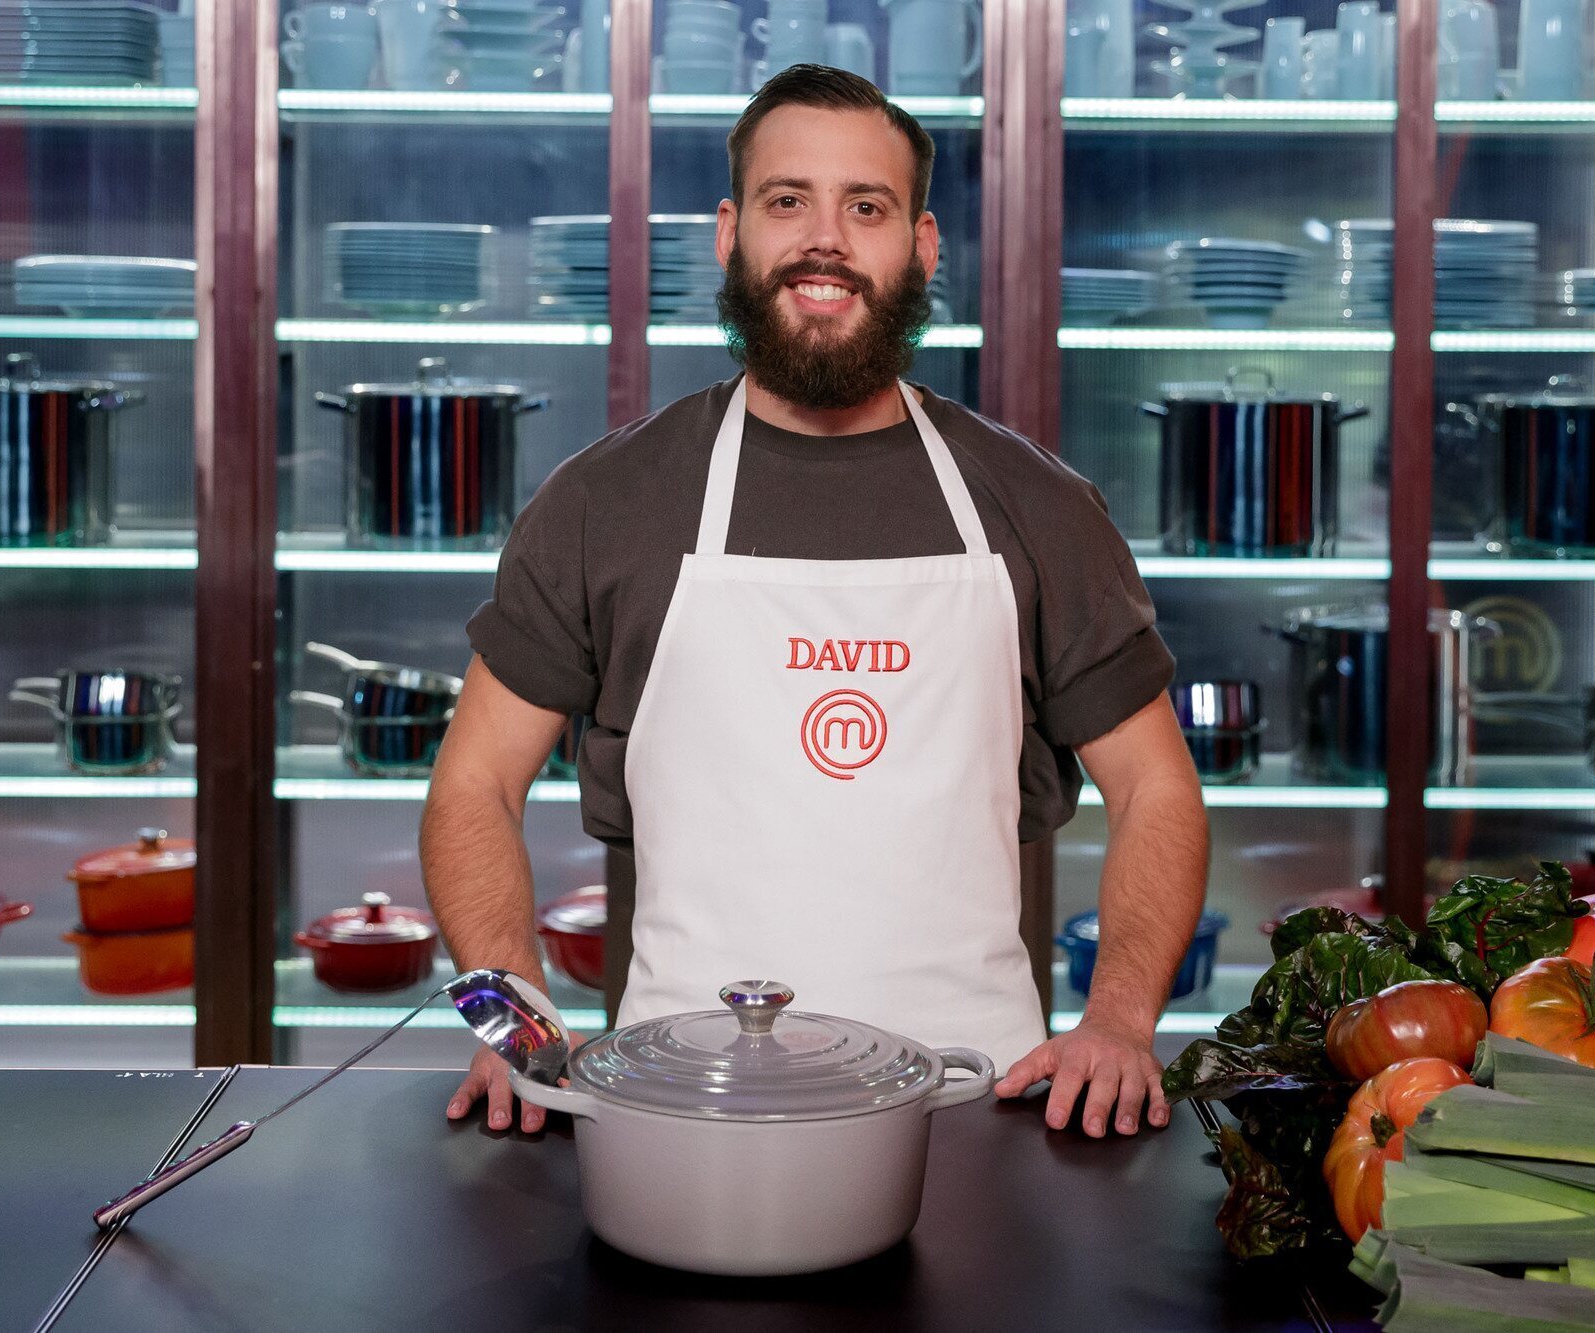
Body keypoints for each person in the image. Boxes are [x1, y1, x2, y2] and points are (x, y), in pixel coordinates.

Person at [421, 64, 1207, 1144]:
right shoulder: (607, 501)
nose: (824, 240)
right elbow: (473, 782)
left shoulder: (1036, 505)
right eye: (787, 200)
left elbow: (1157, 789)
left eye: (865, 207)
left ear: (922, 247)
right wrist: (519, 1027)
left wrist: (1116, 1022)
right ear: (730, 234)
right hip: (675, 1110)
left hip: (972, 1105)